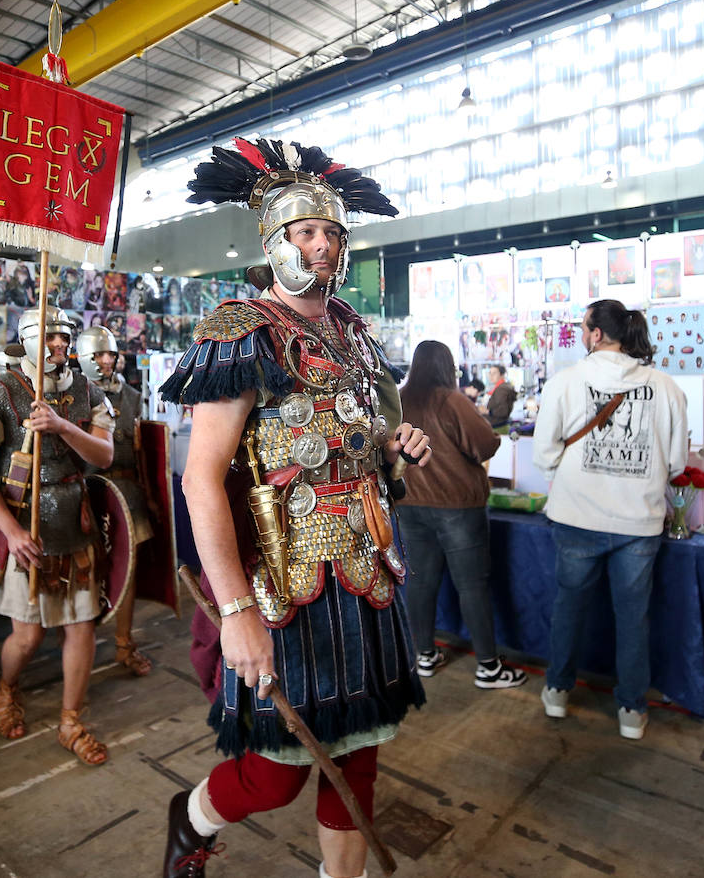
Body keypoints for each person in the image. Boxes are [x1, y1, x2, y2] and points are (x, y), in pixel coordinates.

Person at [158, 137, 429, 878]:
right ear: (275, 242)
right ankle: (190, 818)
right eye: (306, 231)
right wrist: (236, 607)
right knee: (277, 773)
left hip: (368, 568)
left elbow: (361, 444)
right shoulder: (239, 331)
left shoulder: (351, 333)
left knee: (360, 756)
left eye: (332, 231)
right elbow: (200, 479)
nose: (322, 244)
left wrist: (393, 447)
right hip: (286, 587)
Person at [532, 299, 688, 741]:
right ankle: (632, 712)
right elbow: (676, 463)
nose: (583, 333)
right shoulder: (666, 387)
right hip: (639, 522)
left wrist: (569, 476)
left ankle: (558, 692)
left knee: (569, 609)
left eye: (584, 327)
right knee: (633, 617)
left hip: (575, 515)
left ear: (596, 334)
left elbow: (544, 452)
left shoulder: (566, 382)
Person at [0, 306, 115, 766]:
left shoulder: (85, 390)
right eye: (50, 337)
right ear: (30, 339)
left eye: (64, 338)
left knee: (80, 626)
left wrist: (63, 425)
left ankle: (71, 719)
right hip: (22, 526)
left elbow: (104, 456)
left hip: (74, 524)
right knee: (27, 637)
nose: (60, 345)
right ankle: (7, 686)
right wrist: (9, 531)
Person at [397, 341, 525, 690]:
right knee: (472, 585)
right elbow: (486, 444)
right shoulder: (450, 399)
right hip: (457, 505)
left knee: (420, 582)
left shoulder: (398, 399)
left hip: (409, 503)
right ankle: (488, 667)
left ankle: (423, 656)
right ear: (447, 366)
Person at [77, 325, 157, 676]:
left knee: (127, 569)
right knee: (88, 568)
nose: (107, 361)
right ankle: (81, 642)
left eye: (111, 354)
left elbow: (142, 450)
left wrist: (151, 495)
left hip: (127, 491)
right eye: (99, 355)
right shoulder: (76, 395)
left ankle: (124, 644)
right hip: (87, 490)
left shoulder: (132, 396)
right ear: (86, 359)